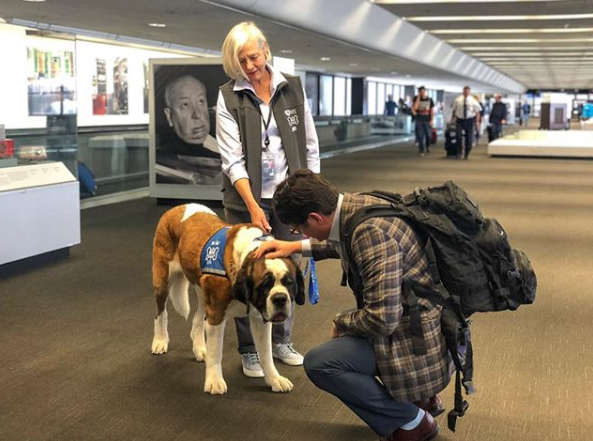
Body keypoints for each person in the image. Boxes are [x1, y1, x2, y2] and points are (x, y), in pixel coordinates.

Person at [254, 169, 452, 441]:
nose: (298, 233)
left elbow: (382, 319)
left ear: (315, 217)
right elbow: (339, 243)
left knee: (321, 362)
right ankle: (421, 399)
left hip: (416, 341)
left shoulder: (369, 233)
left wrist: (341, 322)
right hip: (424, 323)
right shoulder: (357, 206)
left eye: (298, 228)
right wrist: (293, 247)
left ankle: (413, 422)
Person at [216, 22, 320, 378]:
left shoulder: (292, 87)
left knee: (289, 267)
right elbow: (232, 160)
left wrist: (312, 191)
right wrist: (253, 206)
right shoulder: (228, 96)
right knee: (249, 272)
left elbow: (309, 144)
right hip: (246, 200)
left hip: (289, 198)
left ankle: (281, 340)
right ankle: (249, 350)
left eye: (253, 57)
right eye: (241, 61)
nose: (249, 66)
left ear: (266, 49)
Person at [156, 75, 222, 185]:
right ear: (169, 116)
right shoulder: (168, 157)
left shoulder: (222, 141)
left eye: (201, 101)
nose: (197, 114)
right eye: (185, 105)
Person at [451, 86, 482, 159]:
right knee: (458, 137)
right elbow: (454, 110)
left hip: (469, 120)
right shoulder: (458, 100)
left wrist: (477, 122)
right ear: (463, 91)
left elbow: (477, 112)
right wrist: (452, 119)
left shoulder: (473, 100)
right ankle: (459, 152)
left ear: (469, 92)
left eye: (467, 91)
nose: (466, 93)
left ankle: (467, 153)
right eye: (465, 91)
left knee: (469, 139)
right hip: (460, 120)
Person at [411, 87, 434, 156]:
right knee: (420, 135)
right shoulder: (416, 99)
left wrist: (432, 119)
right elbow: (415, 108)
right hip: (419, 119)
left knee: (429, 135)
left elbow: (431, 110)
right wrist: (418, 97)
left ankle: (427, 145)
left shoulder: (430, 100)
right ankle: (421, 150)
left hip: (427, 119)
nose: (422, 93)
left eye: (423, 91)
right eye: (421, 91)